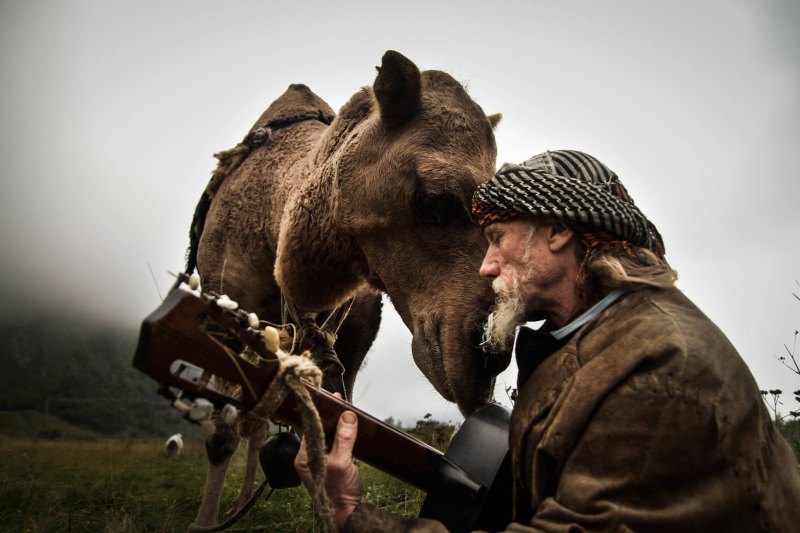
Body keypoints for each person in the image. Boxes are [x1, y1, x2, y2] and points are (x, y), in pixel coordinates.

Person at [295, 150, 800, 531]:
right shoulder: (580, 339)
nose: (485, 265)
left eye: (496, 239)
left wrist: (352, 513)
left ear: (558, 231)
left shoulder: (658, 370)